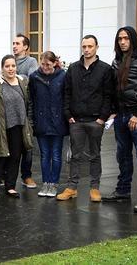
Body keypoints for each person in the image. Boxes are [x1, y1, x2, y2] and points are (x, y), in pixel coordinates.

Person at [103, 26, 137, 213]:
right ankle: (123, 191)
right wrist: (113, 112)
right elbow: (113, 90)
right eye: (120, 39)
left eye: (126, 38)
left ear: (132, 40)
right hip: (120, 115)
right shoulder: (116, 62)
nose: (123, 42)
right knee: (122, 156)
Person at [56, 35, 114, 202]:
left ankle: (94, 188)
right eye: (84, 46)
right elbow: (67, 93)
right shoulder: (73, 69)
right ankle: (72, 187)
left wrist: (102, 118)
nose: (87, 50)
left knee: (95, 155)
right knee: (75, 155)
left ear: (96, 47)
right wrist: (68, 115)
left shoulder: (105, 69)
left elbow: (108, 95)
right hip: (76, 120)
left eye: (90, 46)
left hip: (96, 120)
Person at [0, 55, 33, 202]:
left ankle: (11, 186)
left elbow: (29, 105)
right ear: (2, 68)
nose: (10, 69)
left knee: (15, 156)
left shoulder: (23, 83)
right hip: (1, 127)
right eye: (7, 66)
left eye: (13, 66)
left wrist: (30, 123)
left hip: (19, 126)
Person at [29, 51, 68, 198]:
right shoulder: (35, 77)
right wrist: (33, 119)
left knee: (56, 155)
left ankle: (54, 183)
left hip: (58, 121)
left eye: (48, 64)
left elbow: (66, 97)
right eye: (43, 64)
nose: (45, 67)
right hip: (41, 121)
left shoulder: (62, 76)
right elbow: (31, 99)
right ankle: (46, 182)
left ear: (55, 63)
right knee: (45, 155)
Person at [13, 34, 39, 189]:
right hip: (11, 109)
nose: (15, 46)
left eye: (18, 43)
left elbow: (32, 78)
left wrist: (13, 76)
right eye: (13, 43)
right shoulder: (9, 59)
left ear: (25, 47)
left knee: (27, 145)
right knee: (9, 145)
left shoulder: (31, 61)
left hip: (26, 108)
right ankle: (5, 177)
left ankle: (26, 176)